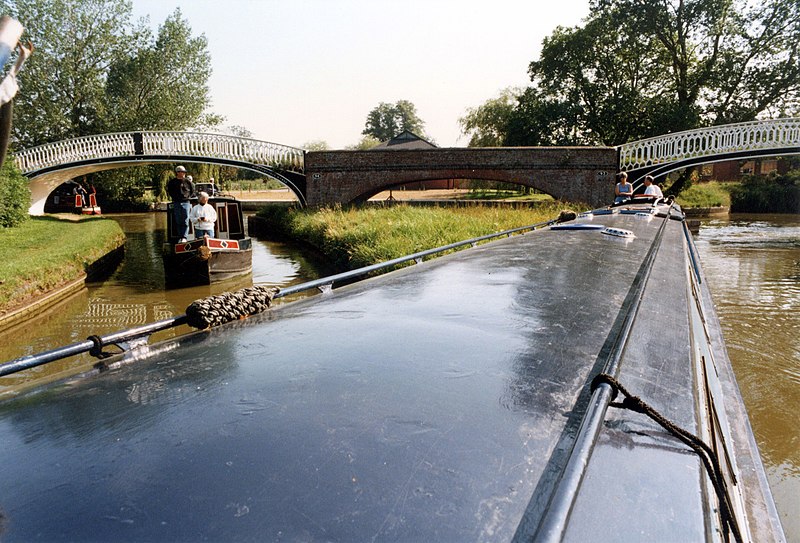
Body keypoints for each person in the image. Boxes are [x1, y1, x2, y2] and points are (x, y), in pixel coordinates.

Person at [167, 165, 195, 242]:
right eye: (182, 172)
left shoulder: (187, 181)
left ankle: (184, 237)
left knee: (185, 220)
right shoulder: (172, 182)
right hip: (176, 202)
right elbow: (170, 191)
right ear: (178, 173)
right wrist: (175, 197)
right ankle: (180, 236)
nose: (184, 173)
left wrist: (188, 197)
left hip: (186, 202)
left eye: (184, 172)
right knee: (178, 220)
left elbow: (192, 190)